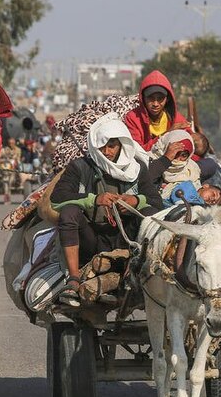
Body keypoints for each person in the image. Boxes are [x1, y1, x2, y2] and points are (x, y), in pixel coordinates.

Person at [51, 114, 162, 306]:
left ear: (121, 145)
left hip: (126, 237)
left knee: (151, 215)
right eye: (102, 147)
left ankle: (140, 270)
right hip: (92, 238)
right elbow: (57, 199)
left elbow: (157, 203)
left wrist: (135, 201)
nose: (107, 152)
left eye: (112, 146)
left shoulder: (137, 169)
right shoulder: (80, 167)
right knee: (69, 213)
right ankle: (74, 278)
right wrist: (94, 200)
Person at [124, 70, 190, 151]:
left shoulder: (176, 118)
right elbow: (138, 152)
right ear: (143, 98)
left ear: (167, 99)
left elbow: (190, 145)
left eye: (160, 99)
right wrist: (167, 134)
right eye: (151, 98)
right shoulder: (132, 118)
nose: (155, 104)